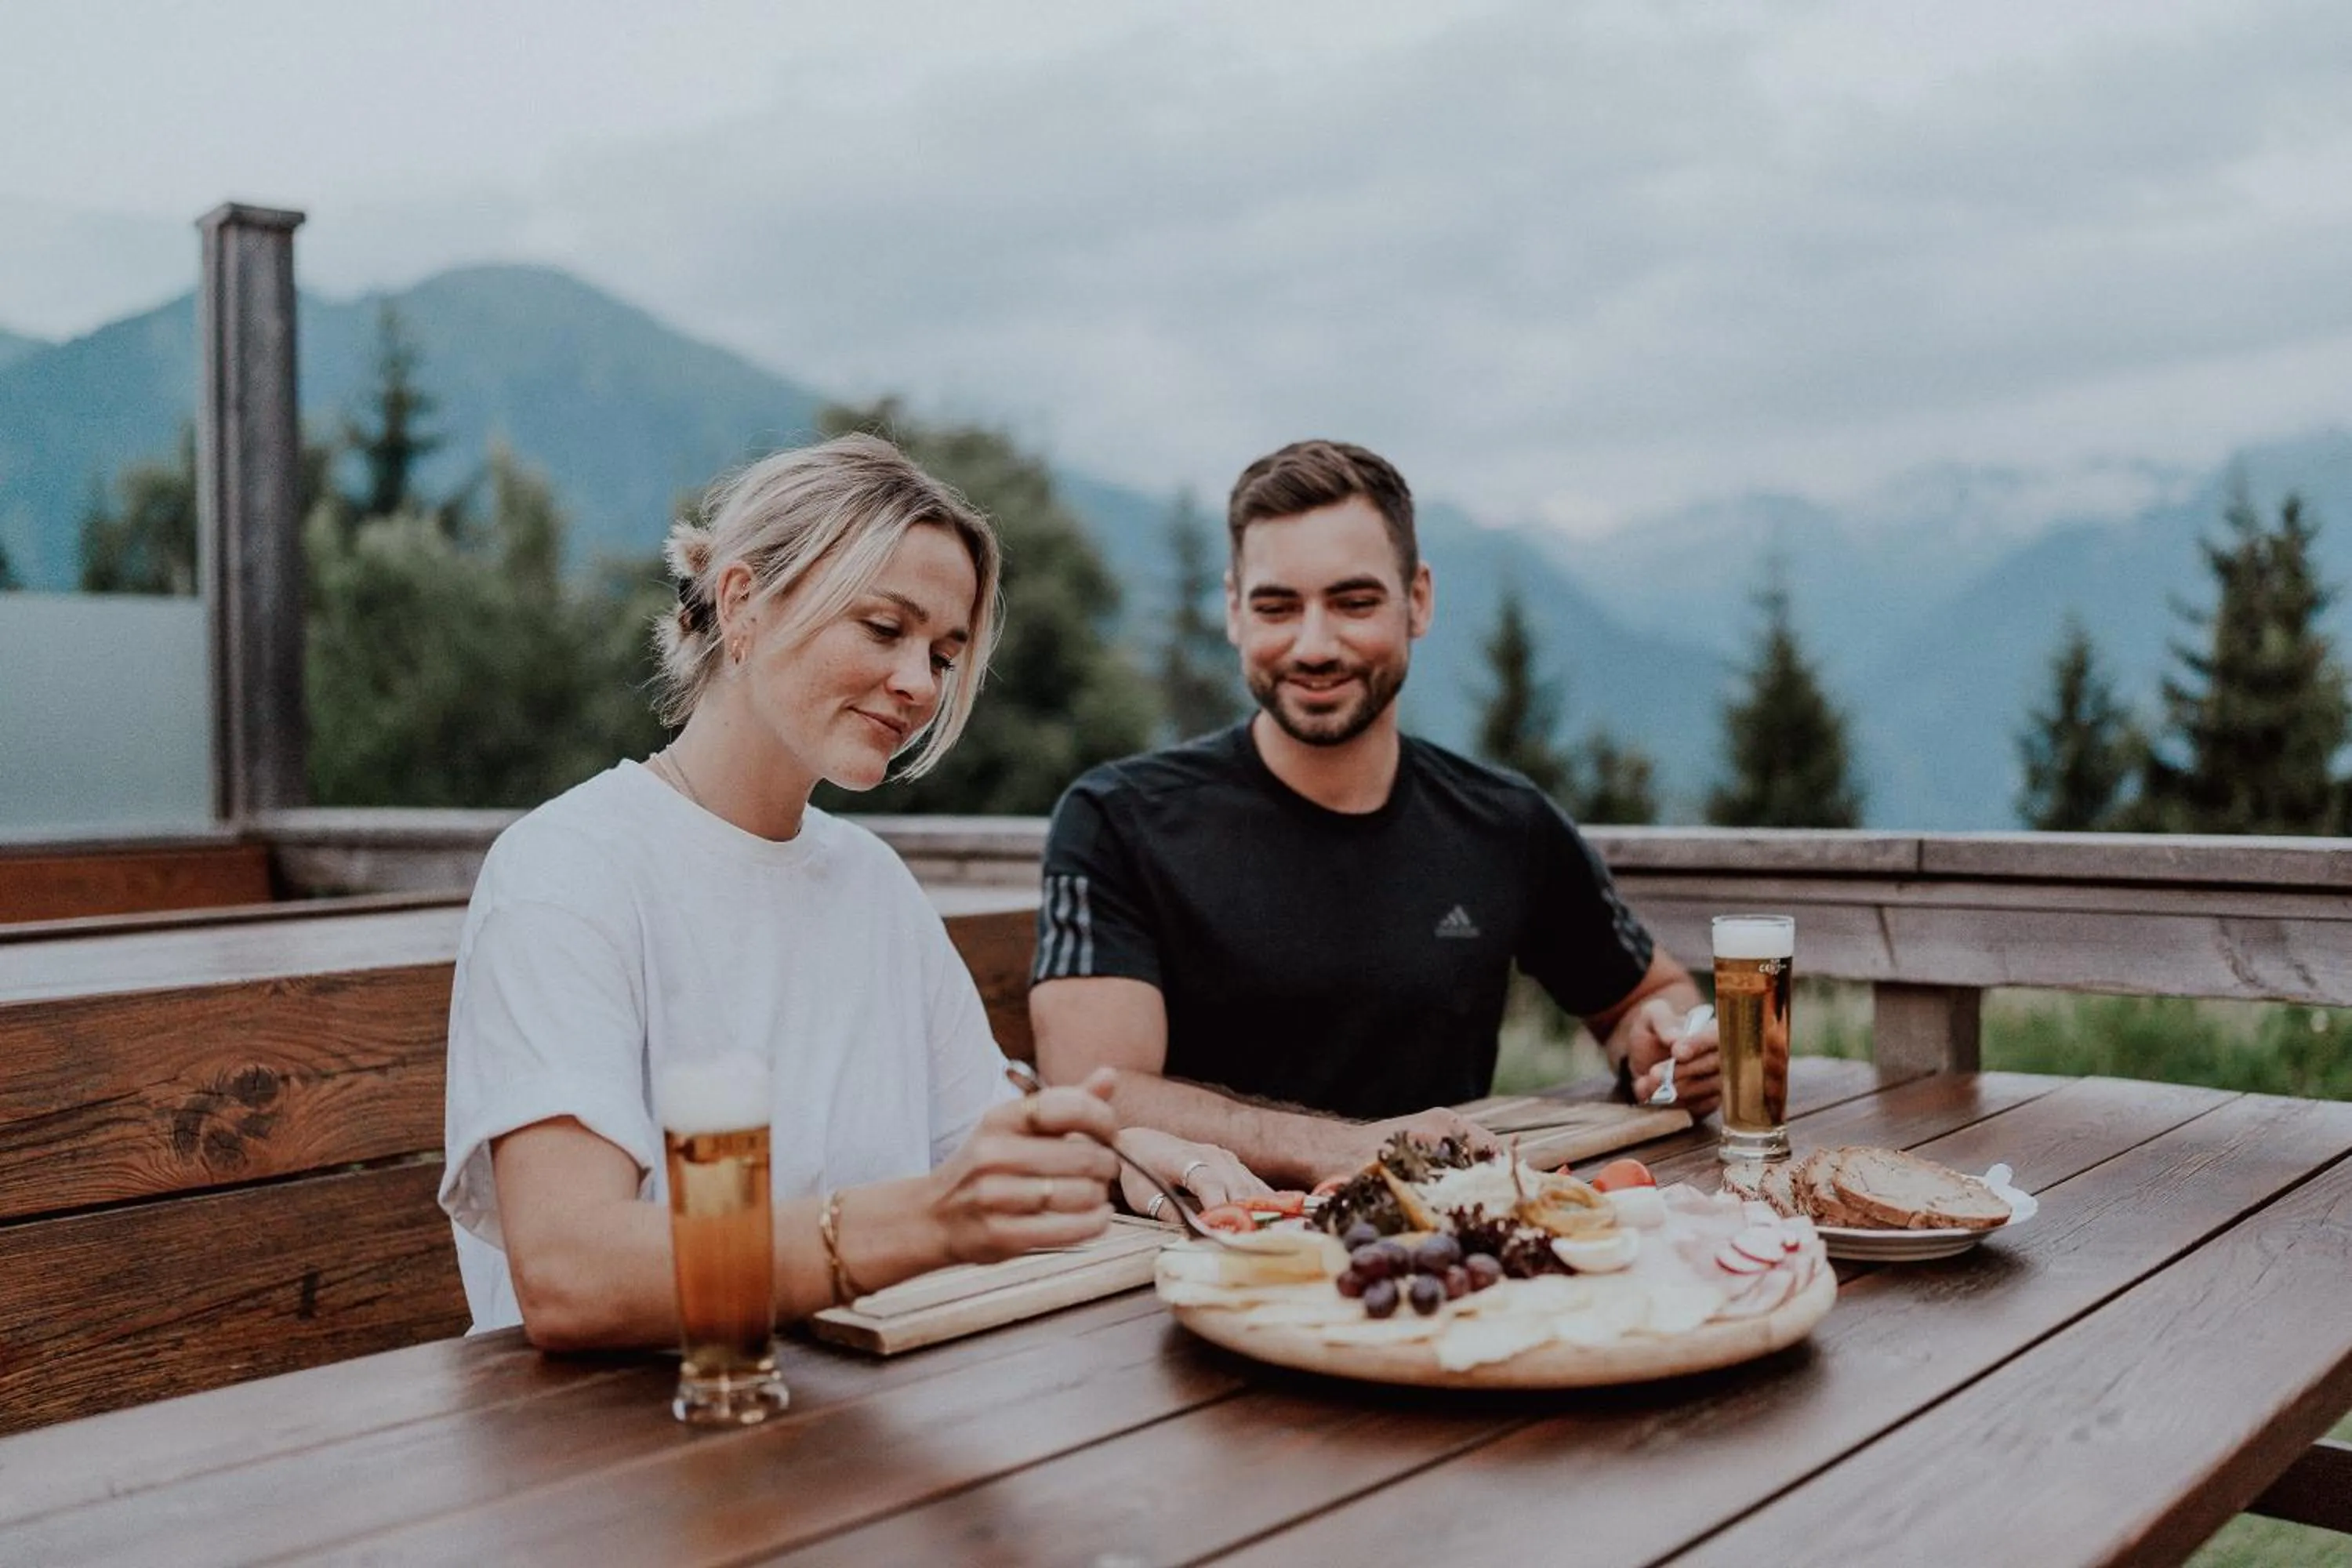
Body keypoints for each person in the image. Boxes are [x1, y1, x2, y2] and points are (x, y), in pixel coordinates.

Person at [441, 433, 1235, 1346]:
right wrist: (925, 1221)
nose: (916, 684)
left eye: (944, 653)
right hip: (615, 1445)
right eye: (884, 627)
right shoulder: (566, 870)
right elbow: (573, 1272)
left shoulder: (872, 883)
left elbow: (982, 1142)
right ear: (742, 603)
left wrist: (1134, 1157)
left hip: (843, 1414)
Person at [1027, 439, 1720, 1193]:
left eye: (1353, 603)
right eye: (1277, 606)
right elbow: (1097, 1092)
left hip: (1461, 1254)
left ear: (1417, 599)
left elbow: (1645, 1000)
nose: (1314, 644)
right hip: (1215, 1257)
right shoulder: (1118, 820)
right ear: (1233, 611)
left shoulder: (1506, 822)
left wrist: (1665, 1048)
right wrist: (1345, 1147)